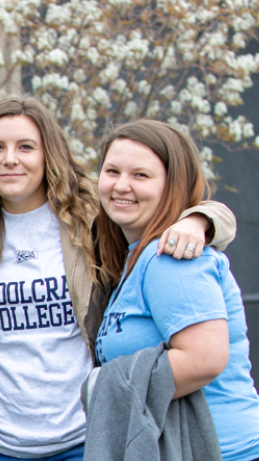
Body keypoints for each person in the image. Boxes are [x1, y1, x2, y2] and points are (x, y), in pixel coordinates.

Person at [0, 97, 236, 461]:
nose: (10, 158)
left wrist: (199, 219)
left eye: (26, 147)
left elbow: (199, 213)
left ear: (48, 154)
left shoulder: (91, 220)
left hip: (87, 439)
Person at [94, 119, 259, 461]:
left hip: (222, 450)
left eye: (141, 175)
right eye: (112, 171)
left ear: (172, 184)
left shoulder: (173, 258)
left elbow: (204, 360)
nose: (122, 186)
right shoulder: (134, 258)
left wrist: (99, 389)